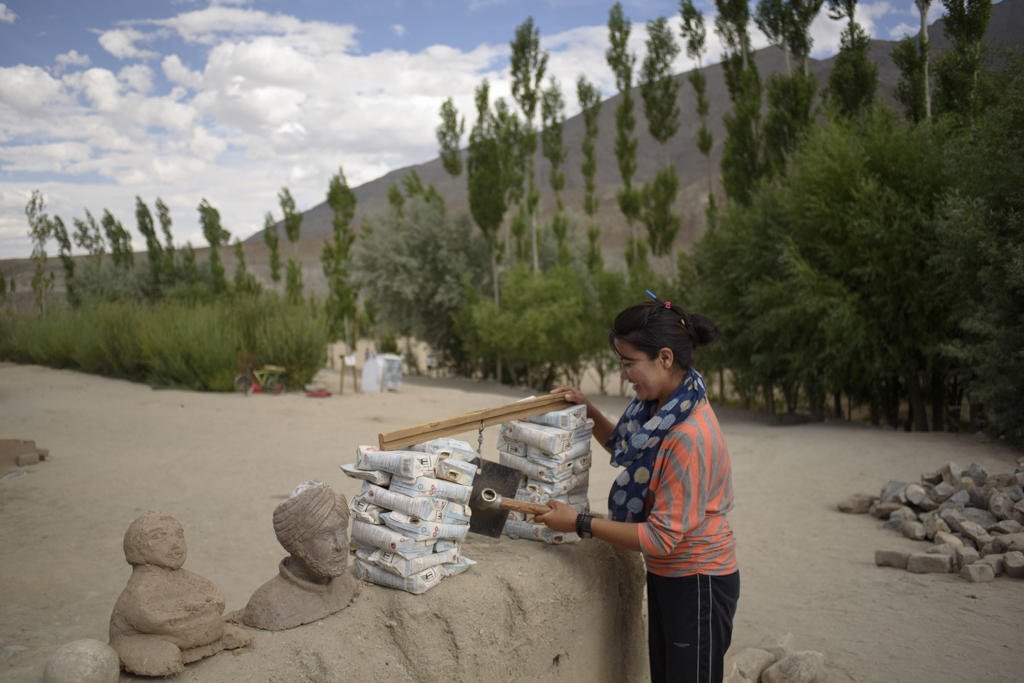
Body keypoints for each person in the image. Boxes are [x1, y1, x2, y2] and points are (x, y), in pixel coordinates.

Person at [534, 296, 739, 683]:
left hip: (698, 582)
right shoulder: (666, 406)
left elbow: (662, 538)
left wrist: (580, 523)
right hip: (672, 576)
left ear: (664, 358)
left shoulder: (686, 435)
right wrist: (588, 411)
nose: (625, 375)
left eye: (630, 363)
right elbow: (629, 448)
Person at [244, 481, 358, 631]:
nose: (341, 545)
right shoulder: (267, 605)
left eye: (342, 531)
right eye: (326, 535)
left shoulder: (345, 583)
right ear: (298, 546)